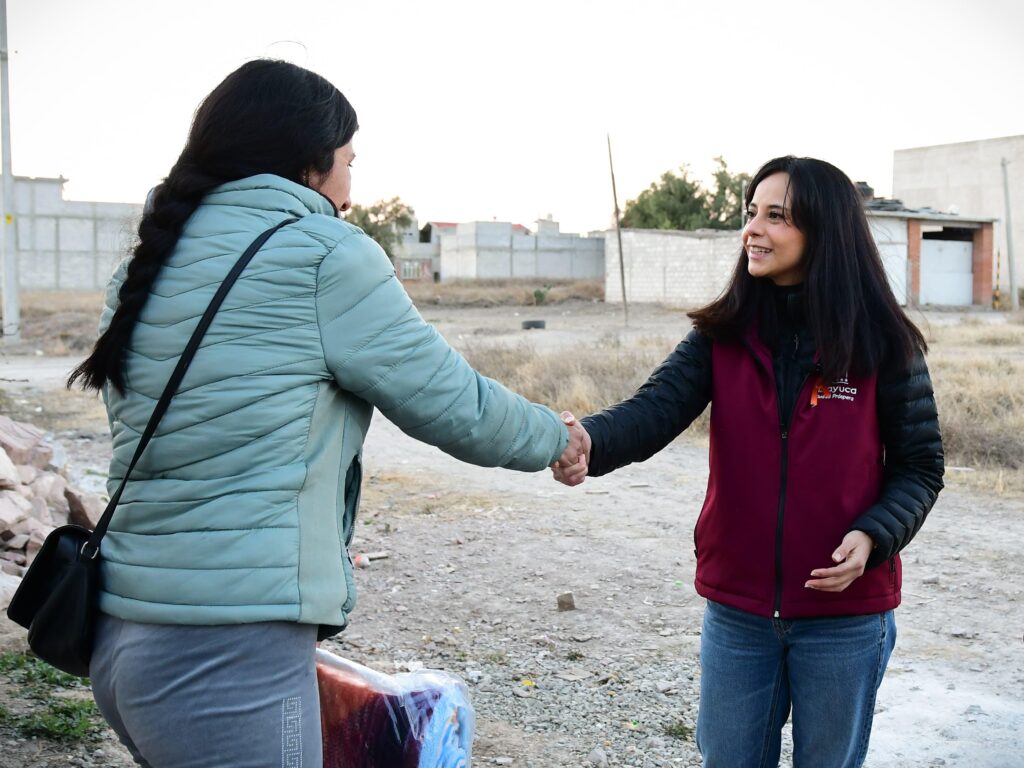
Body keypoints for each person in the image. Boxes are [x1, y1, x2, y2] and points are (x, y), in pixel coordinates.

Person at [68, 59, 587, 767]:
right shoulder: (322, 254)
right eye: (348, 161)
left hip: (120, 635)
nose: (350, 184)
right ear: (309, 164)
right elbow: (451, 402)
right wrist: (554, 437)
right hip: (231, 653)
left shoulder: (148, 264)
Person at [552, 156, 944, 767]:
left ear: (825, 230)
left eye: (776, 216)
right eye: (750, 213)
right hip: (739, 613)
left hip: (844, 616)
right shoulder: (724, 334)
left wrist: (873, 536)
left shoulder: (882, 343)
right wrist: (588, 442)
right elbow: (654, 409)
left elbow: (920, 465)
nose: (753, 230)